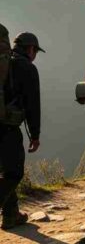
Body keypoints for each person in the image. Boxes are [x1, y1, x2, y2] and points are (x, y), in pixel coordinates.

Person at [0, 30, 43, 230]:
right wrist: (35, 135)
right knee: (14, 172)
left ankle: (11, 215)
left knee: (4, 170)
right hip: (5, 127)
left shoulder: (6, 63)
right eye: (36, 51)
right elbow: (33, 105)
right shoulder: (26, 68)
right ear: (31, 49)